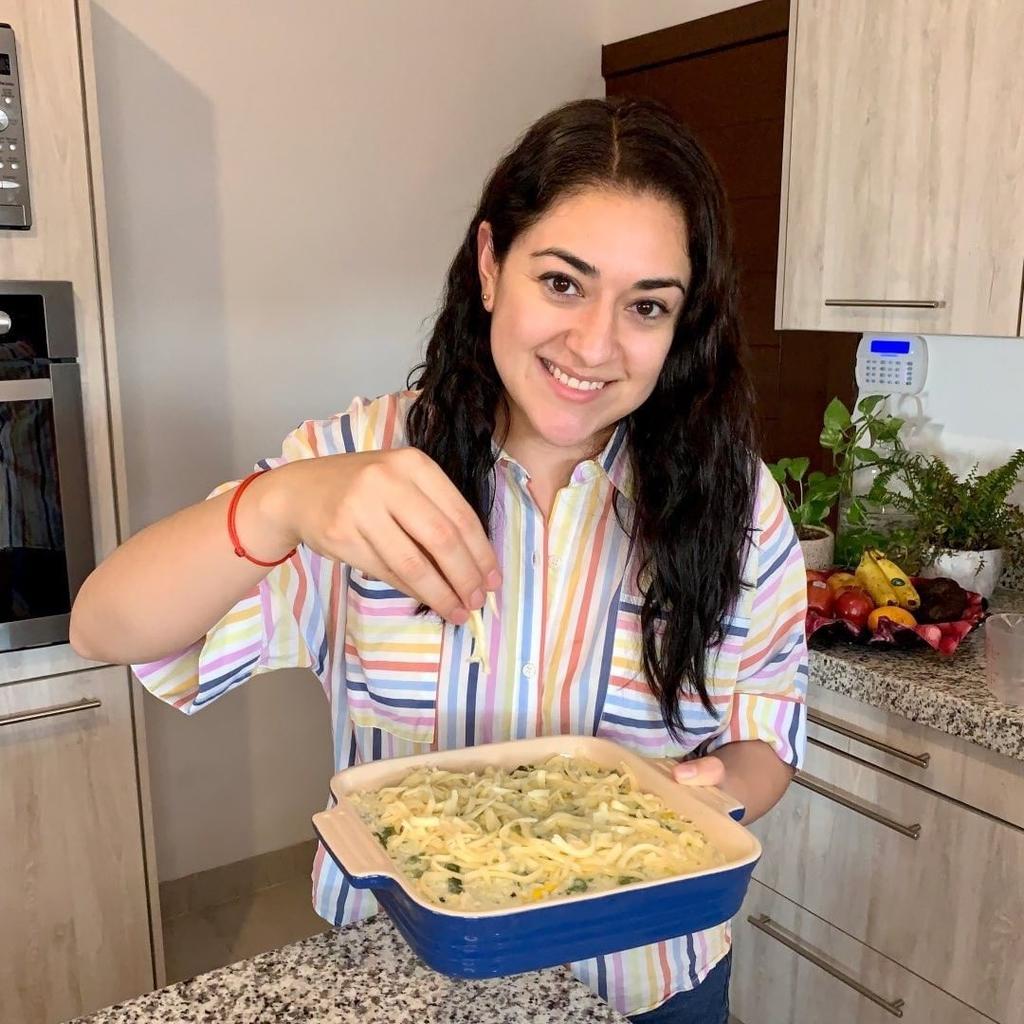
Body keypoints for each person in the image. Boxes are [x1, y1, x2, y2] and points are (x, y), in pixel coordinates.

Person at [70, 97, 807, 1024]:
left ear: (683, 320)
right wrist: (279, 504)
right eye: (563, 283)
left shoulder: (736, 502)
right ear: (491, 265)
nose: (594, 345)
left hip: (649, 980)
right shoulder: (357, 464)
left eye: (647, 306)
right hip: (407, 976)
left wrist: (712, 790)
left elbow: (765, 728)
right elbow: (104, 627)